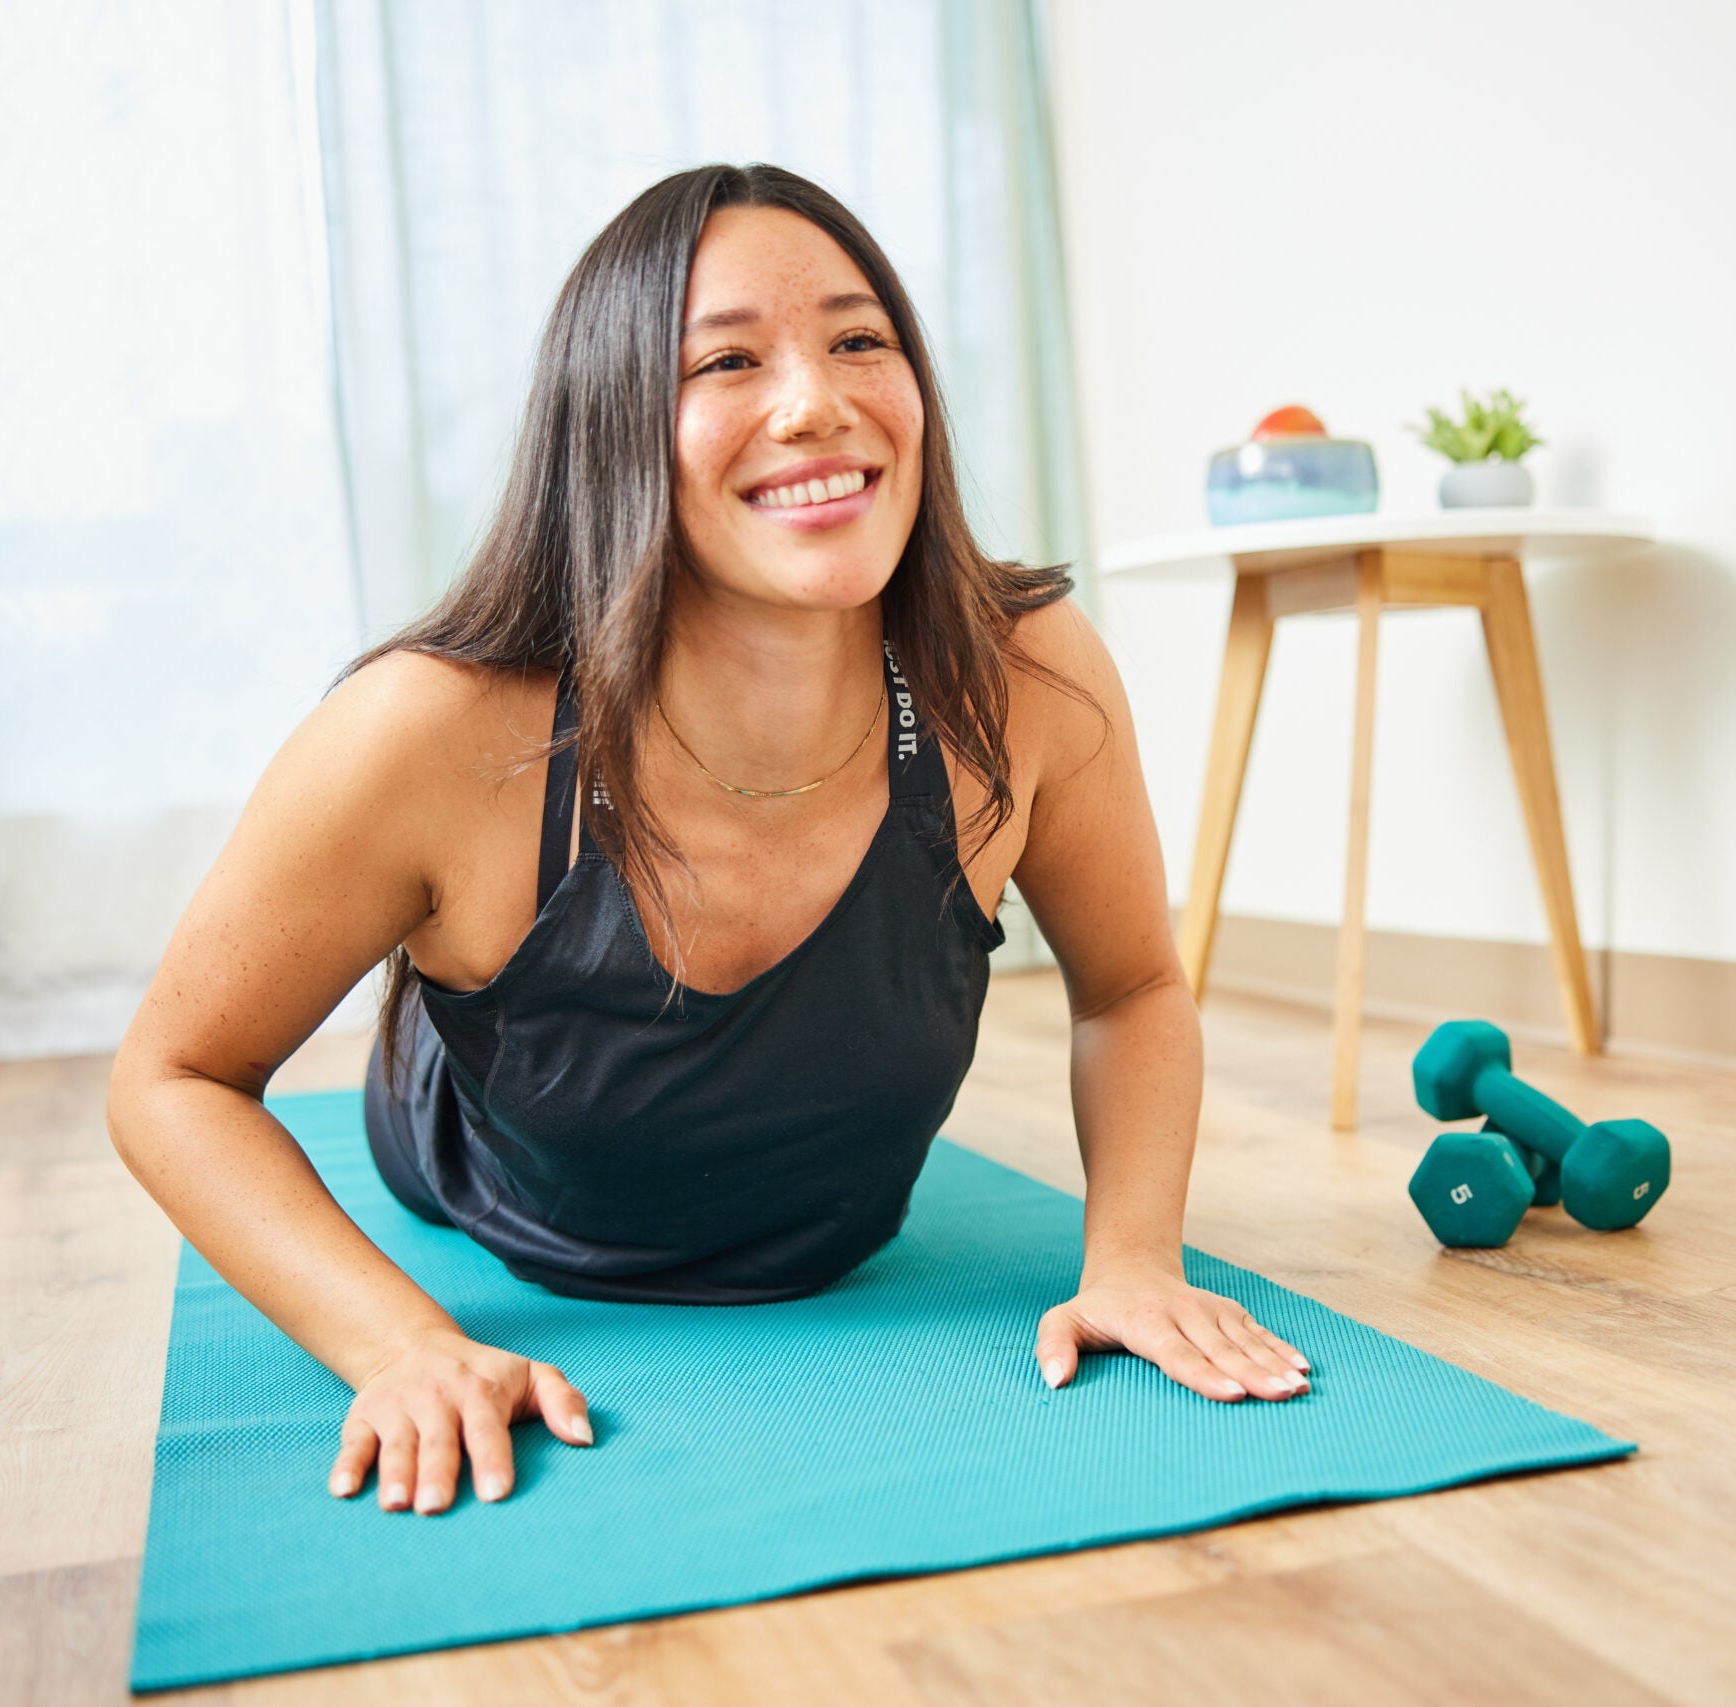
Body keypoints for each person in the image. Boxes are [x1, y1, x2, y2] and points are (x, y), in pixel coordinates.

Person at [107, 162, 1311, 1522]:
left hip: (838, 1240)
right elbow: (177, 1076)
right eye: (725, 361)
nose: (817, 401)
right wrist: (399, 1347)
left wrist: (1136, 1259)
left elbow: (1136, 987)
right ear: (608, 426)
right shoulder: (428, 728)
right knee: (416, 1085)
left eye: (862, 341)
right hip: (491, 1161)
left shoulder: (1028, 672)